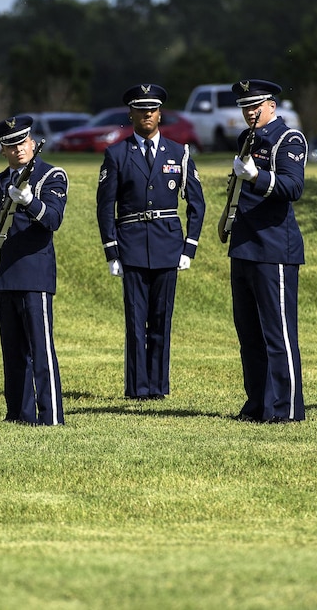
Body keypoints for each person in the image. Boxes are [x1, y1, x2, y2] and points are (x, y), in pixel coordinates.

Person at [96, 84, 205, 400]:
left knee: (161, 321)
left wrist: (190, 246)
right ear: (131, 114)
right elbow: (105, 206)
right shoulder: (116, 154)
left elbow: (197, 203)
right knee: (135, 322)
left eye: (152, 110)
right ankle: (137, 387)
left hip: (168, 245)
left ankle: (158, 386)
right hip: (130, 246)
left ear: (160, 114)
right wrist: (111, 250)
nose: (147, 114)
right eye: (141, 109)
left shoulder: (178, 153)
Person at [0, 116, 67, 425]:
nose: (19, 149)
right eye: (12, 146)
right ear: (3, 150)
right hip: (7, 271)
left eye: (23, 142)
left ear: (31, 142)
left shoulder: (51, 174)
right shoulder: (2, 179)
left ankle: (51, 416)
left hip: (35, 270)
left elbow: (53, 220)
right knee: (12, 352)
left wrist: (29, 201)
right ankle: (19, 413)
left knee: (41, 350)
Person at [226, 79, 307, 423]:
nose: (249, 113)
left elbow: (293, 186)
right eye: (245, 107)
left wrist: (258, 175)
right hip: (244, 245)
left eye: (255, 106)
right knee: (249, 335)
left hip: (274, 247)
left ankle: (285, 408)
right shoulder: (247, 139)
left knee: (278, 334)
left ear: (271, 106)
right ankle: (258, 404)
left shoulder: (288, 139)